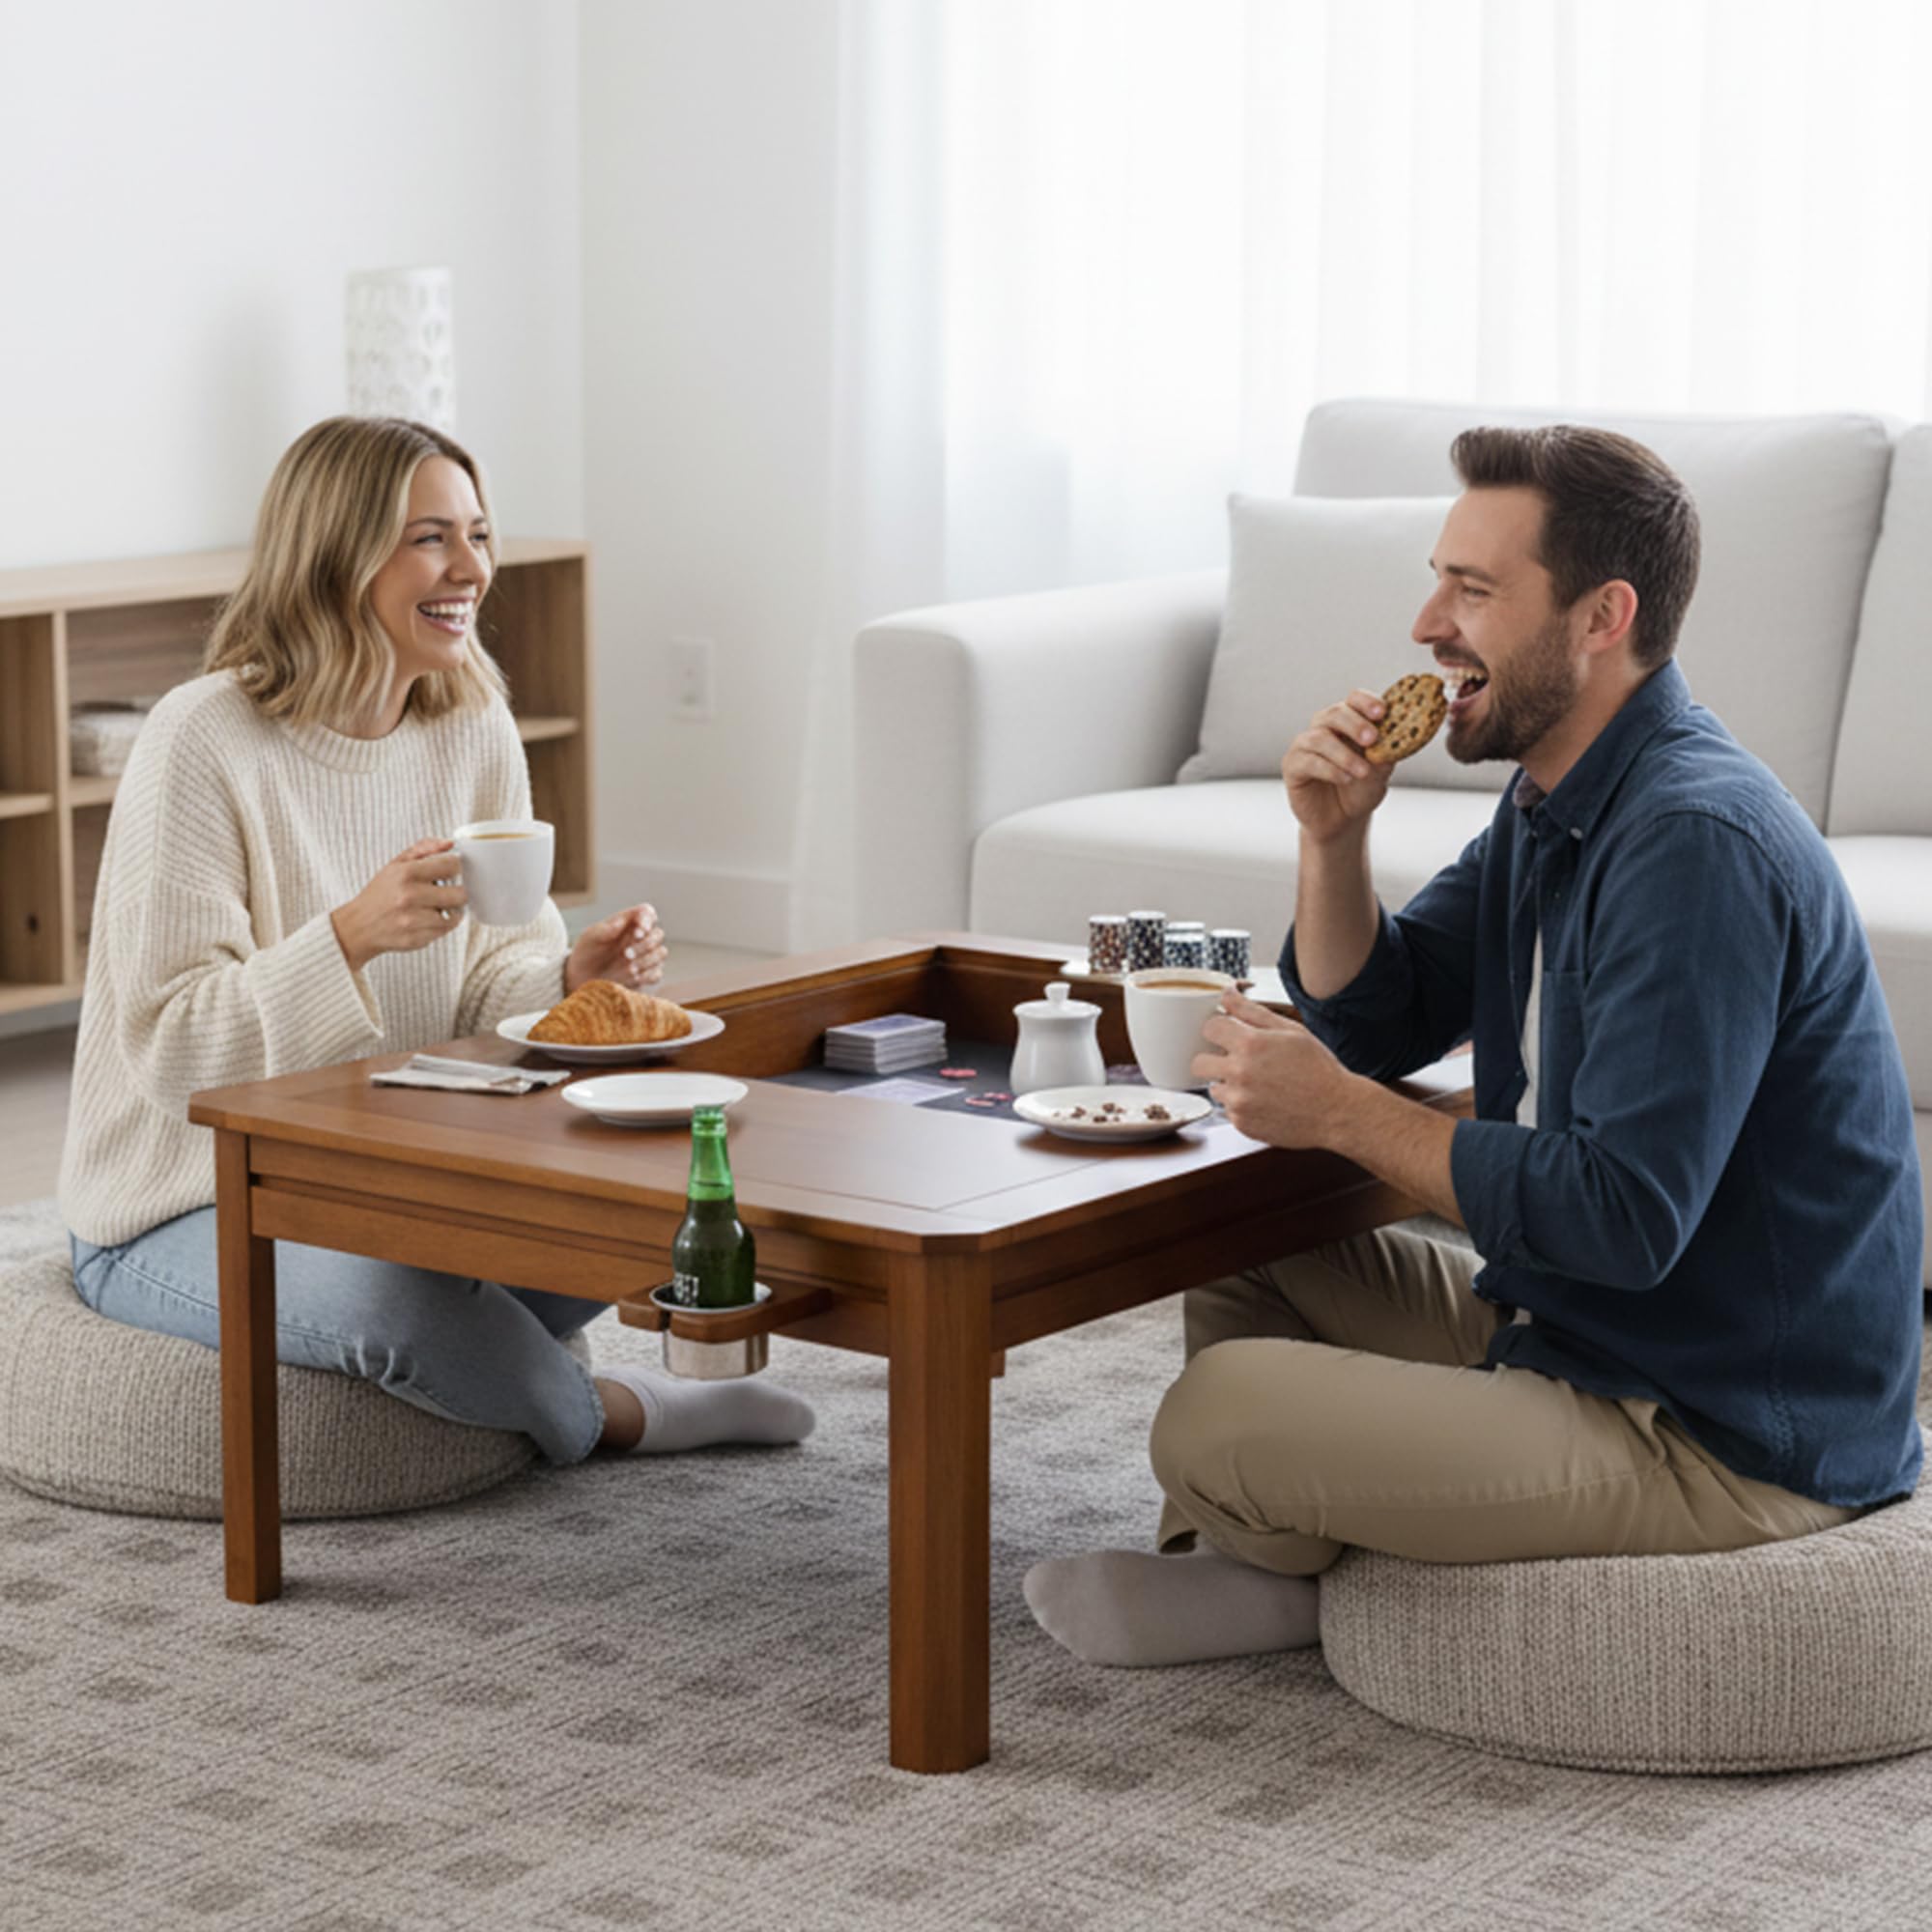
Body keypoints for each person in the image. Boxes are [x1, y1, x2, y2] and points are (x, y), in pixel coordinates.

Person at [1026, 425, 1921, 1667]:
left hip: (1716, 1424)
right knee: (1241, 1250)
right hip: (1587, 1330)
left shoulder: (1690, 844)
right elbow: (1381, 1009)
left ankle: (1289, 1574)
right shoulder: (1562, 793)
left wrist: (1340, 1113)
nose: (1424, 623)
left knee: (1217, 1411)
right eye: (1437, 577)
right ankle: (1254, 1567)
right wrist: (1329, 838)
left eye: (1472, 589)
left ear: (1599, 616)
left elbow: (1620, 1214)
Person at [59, 416, 813, 1463]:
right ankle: (619, 1413)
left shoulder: (470, 722)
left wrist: (564, 979)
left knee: (648, 1218)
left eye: (479, 533)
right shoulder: (201, 740)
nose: (472, 569)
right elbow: (170, 1048)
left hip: (388, 1172)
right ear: (335, 554)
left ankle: (499, 1367)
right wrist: (348, 939)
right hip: (182, 1200)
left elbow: (488, 978)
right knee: (400, 1304)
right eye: (430, 537)